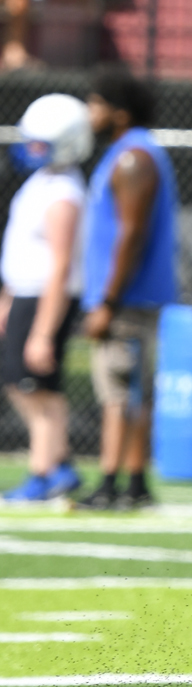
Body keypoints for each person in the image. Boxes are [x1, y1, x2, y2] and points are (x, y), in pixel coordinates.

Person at [75, 65, 178, 511]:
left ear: (118, 112)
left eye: (95, 104)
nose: (89, 113)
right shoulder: (131, 152)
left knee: (119, 393)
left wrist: (108, 300)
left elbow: (130, 234)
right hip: (129, 299)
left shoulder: (133, 157)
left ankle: (112, 482)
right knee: (131, 391)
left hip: (128, 302)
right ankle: (132, 482)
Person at [0, 93, 90, 501]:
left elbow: (59, 266)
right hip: (26, 295)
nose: (31, 149)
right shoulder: (43, 183)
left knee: (34, 386)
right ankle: (59, 462)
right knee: (25, 385)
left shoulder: (64, 194)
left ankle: (44, 471)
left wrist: (42, 332)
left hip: (44, 300)